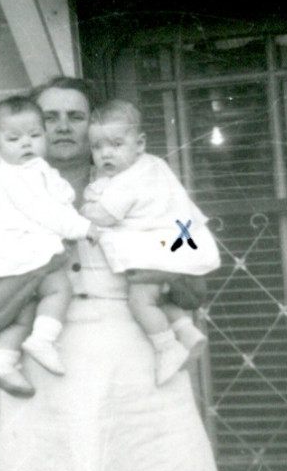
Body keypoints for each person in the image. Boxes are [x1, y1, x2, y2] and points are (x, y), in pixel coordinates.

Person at [0, 77, 243, 471]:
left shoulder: (143, 184)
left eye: (76, 116)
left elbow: (194, 277)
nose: (62, 127)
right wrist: (41, 261)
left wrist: (148, 258)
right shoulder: (6, 202)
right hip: (48, 369)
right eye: (49, 118)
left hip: (136, 362)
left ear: (94, 124)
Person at [0, 95, 98, 398]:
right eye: (14, 139)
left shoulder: (40, 171)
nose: (26, 143)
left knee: (27, 311)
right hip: (22, 251)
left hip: (105, 351)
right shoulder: (15, 176)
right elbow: (45, 211)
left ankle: (3, 363)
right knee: (52, 290)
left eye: (34, 135)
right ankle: (38, 343)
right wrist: (81, 229)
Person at [80, 98, 219, 385]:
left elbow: (104, 215)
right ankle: (186, 329)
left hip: (156, 250)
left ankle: (167, 349)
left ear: (140, 144)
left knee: (140, 300)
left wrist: (84, 210)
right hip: (178, 246)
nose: (106, 154)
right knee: (158, 296)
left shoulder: (129, 178)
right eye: (97, 147)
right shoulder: (155, 165)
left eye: (116, 144)